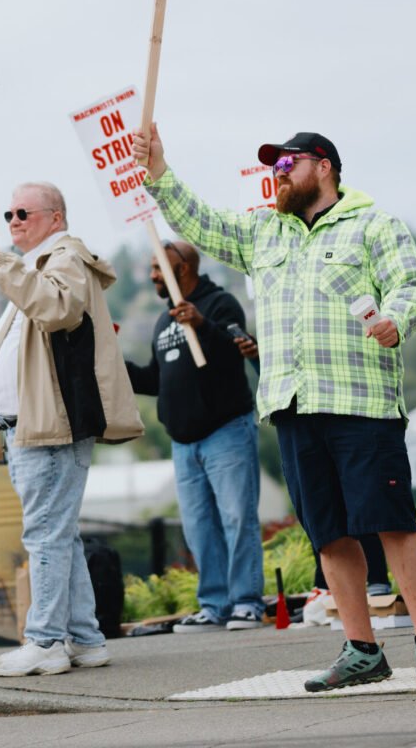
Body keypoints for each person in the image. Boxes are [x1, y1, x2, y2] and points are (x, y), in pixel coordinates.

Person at [131, 127, 416, 690]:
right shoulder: (263, 233)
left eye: (288, 162)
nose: (277, 172)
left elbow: (411, 284)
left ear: (323, 166)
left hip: (362, 400)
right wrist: (159, 172)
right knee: (328, 533)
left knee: (391, 522)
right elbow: (201, 222)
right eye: (273, 165)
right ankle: (361, 649)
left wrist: (396, 320)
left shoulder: (374, 223)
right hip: (292, 403)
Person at [0, 182, 144, 677]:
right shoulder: (37, 264)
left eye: (24, 212)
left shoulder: (63, 256)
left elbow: (58, 309)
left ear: (57, 217)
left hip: (50, 424)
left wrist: (0, 262)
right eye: (8, 213)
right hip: (31, 424)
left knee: (45, 534)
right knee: (59, 535)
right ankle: (85, 638)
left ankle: (45, 640)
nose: (13, 221)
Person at [125, 240, 265, 633]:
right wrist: (116, 369)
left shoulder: (219, 304)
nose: (153, 275)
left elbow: (237, 350)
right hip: (183, 442)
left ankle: (246, 602)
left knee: (237, 518)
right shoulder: (164, 321)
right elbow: (157, 379)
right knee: (199, 527)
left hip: (225, 432)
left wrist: (202, 324)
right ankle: (215, 604)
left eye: (158, 267)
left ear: (182, 267)